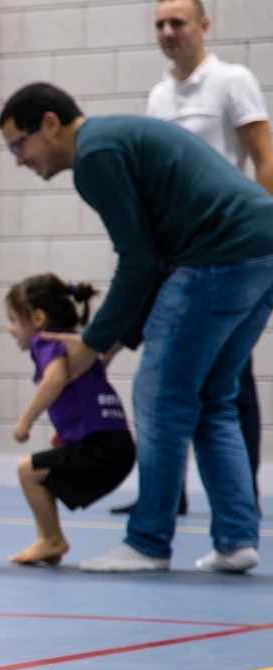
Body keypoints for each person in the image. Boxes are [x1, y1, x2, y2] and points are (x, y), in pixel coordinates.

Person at [0, 82, 273, 574]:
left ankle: (148, 541)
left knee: (160, 396)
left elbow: (139, 261)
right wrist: (110, 342)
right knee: (214, 396)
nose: (19, 159)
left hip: (218, 257)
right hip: (261, 253)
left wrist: (93, 343)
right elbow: (153, 257)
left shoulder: (95, 156)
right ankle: (235, 539)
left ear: (49, 123)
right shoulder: (112, 139)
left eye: (19, 144)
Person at [128, 0, 268, 514]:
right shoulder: (160, 95)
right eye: (160, 24)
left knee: (230, 375)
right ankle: (170, 492)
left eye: (178, 22)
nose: (168, 31)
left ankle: (242, 491)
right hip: (178, 252)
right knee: (170, 374)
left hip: (230, 248)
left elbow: (262, 156)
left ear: (203, 27)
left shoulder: (233, 80)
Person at [4, 275, 136, 567]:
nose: (9, 328)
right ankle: (49, 541)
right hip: (119, 446)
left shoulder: (46, 342)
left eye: (14, 320)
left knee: (28, 471)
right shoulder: (77, 343)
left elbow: (55, 379)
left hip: (101, 447)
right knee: (42, 470)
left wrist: (25, 421)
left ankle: (51, 540)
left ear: (37, 318)